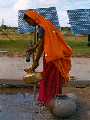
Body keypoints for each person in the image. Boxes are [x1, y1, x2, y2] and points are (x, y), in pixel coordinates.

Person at [24, 10, 72, 106]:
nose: (29, 24)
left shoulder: (41, 27)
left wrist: (35, 62)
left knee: (48, 79)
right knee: (54, 79)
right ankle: (55, 100)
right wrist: (34, 47)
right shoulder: (45, 23)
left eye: (28, 22)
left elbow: (42, 45)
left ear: (32, 18)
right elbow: (44, 40)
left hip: (52, 57)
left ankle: (48, 101)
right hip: (56, 54)